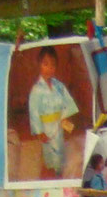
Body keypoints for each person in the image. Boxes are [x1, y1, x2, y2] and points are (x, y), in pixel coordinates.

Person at [26, 49, 80, 179]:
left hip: (58, 123)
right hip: (45, 125)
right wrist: (39, 131)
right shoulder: (36, 90)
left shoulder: (59, 86)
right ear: (39, 65)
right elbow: (34, 111)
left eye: (52, 65)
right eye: (45, 64)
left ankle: (59, 171)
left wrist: (65, 117)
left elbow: (67, 102)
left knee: (60, 147)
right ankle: (51, 171)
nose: (49, 68)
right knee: (49, 150)